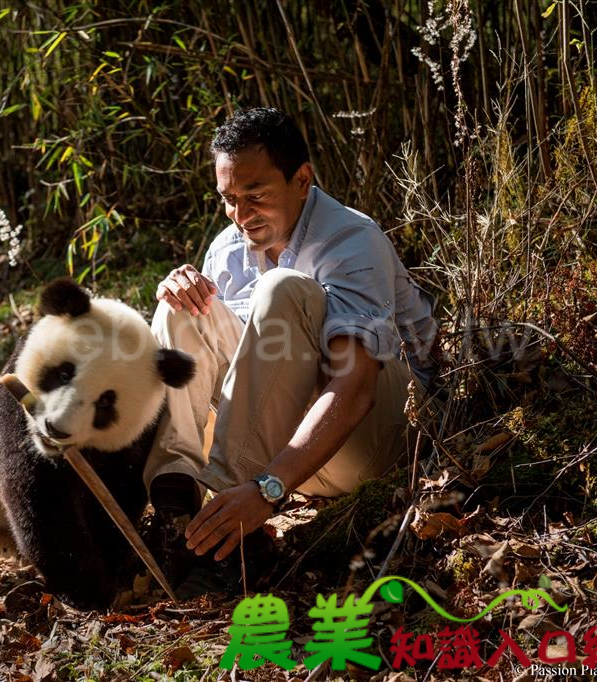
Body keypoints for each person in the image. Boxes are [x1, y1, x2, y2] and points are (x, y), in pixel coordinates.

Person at [144, 107, 436, 592]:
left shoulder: (350, 239)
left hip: (377, 442)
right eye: (228, 199)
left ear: (302, 179)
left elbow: (357, 386)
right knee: (182, 305)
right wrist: (181, 293)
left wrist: (268, 489)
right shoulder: (228, 247)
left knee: (282, 289)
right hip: (290, 449)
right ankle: (180, 514)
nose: (240, 215)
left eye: (255, 195)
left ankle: (230, 532)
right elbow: (243, 366)